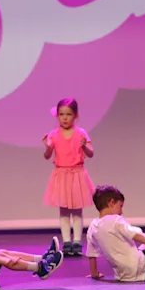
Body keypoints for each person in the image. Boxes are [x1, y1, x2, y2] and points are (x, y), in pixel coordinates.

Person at [43, 98, 95, 257]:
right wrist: (48, 147)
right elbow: (47, 156)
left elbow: (91, 153)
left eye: (68, 114)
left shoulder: (81, 133)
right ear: (57, 115)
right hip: (61, 175)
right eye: (61, 114)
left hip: (77, 174)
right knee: (64, 210)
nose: (64, 118)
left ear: (75, 115)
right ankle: (66, 241)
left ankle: (77, 241)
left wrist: (84, 146)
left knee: (77, 210)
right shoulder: (54, 135)